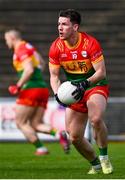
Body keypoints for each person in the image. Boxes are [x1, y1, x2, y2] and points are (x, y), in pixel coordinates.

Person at [49, 9, 113, 174]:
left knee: (96, 119)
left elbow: (101, 72)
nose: (60, 28)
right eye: (59, 24)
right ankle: (95, 164)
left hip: (94, 85)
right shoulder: (56, 47)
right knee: (74, 137)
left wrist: (86, 83)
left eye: (64, 24)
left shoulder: (90, 43)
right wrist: (57, 94)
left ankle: (104, 158)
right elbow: (54, 76)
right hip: (74, 91)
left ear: (75, 27)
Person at [4, 29, 70, 155]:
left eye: (6, 39)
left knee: (20, 122)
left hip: (30, 89)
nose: (6, 42)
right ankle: (58, 134)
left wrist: (18, 86)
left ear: (12, 38)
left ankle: (41, 148)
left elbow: (29, 70)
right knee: (35, 123)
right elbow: (42, 63)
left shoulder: (21, 49)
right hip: (42, 88)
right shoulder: (30, 47)